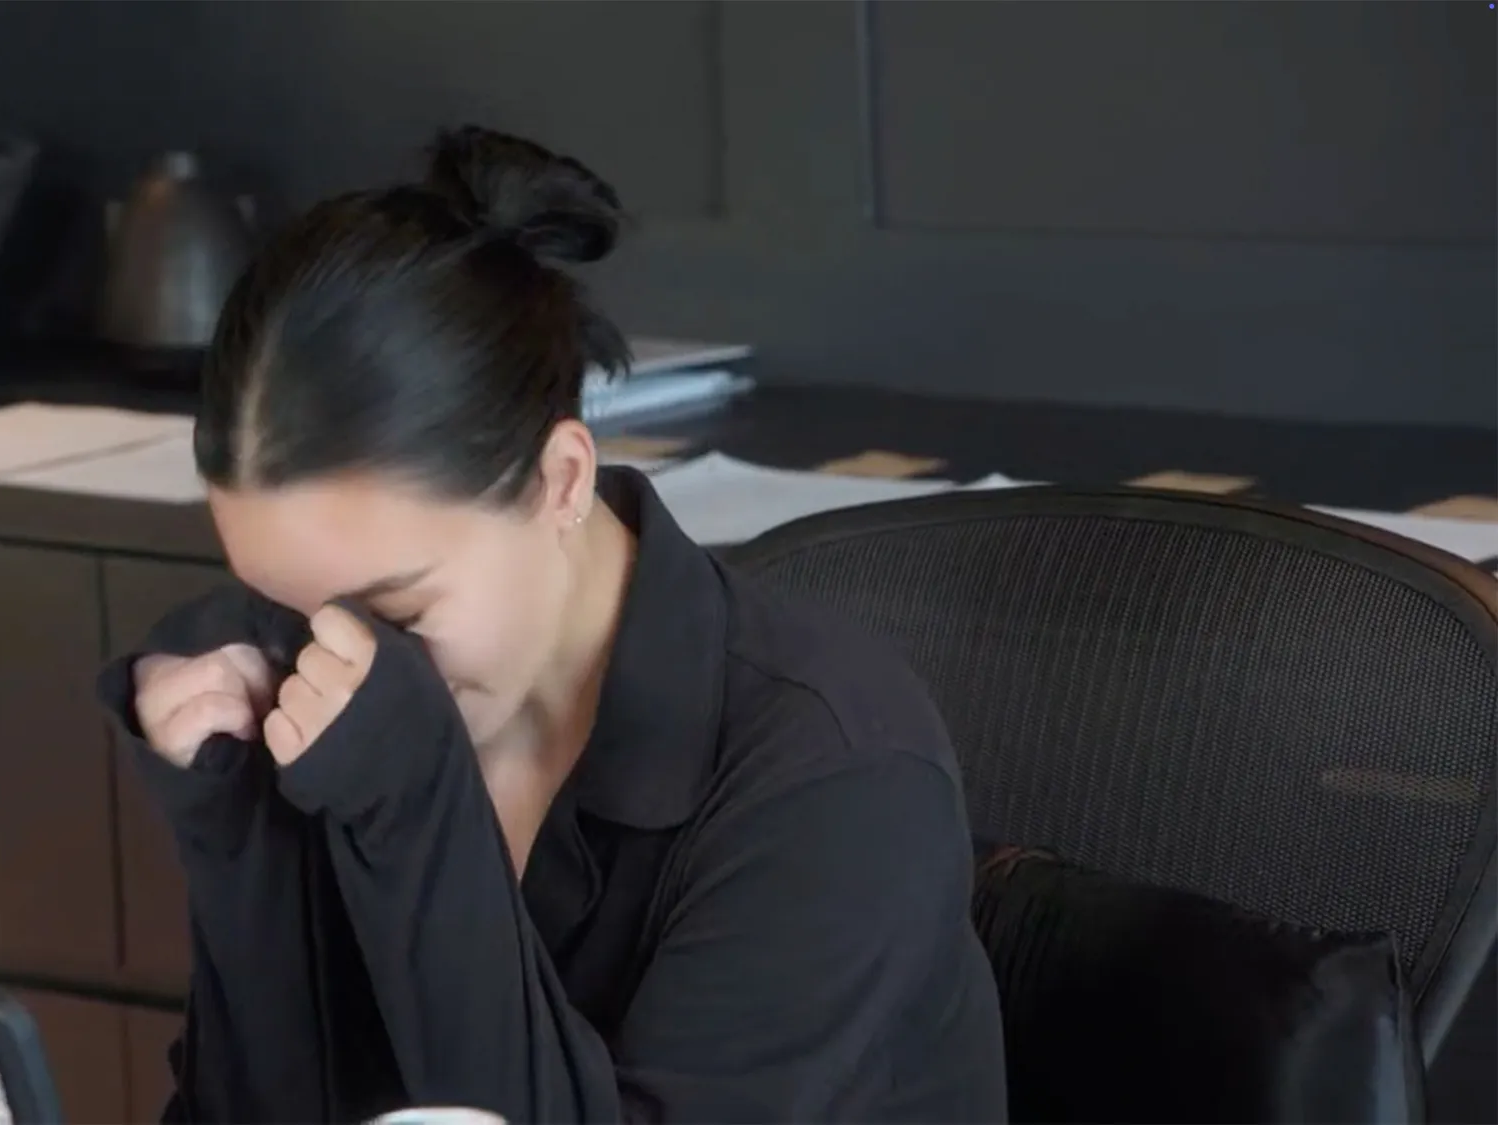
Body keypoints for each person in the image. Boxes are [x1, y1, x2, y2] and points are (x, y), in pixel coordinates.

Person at [99, 126, 1008, 1124]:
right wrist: (244, 847)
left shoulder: (832, 776)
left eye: (394, 608)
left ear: (559, 480)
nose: (335, 648)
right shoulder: (312, 680)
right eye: (279, 596)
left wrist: (414, 812)